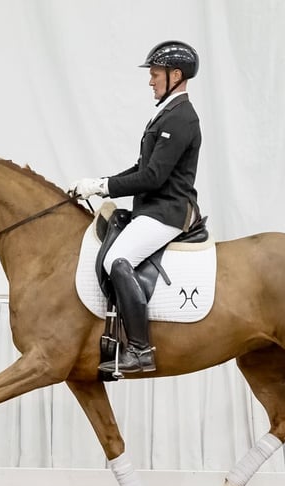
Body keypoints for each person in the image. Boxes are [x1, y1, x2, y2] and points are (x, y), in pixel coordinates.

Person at [70, 40, 202, 374]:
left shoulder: (181, 118)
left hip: (167, 211)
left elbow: (154, 177)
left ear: (176, 74)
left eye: (156, 74)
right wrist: (101, 182)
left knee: (117, 258)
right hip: (154, 209)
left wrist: (105, 187)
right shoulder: (167, 114)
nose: (151, 80)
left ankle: (141, 350)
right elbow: (141, 166)